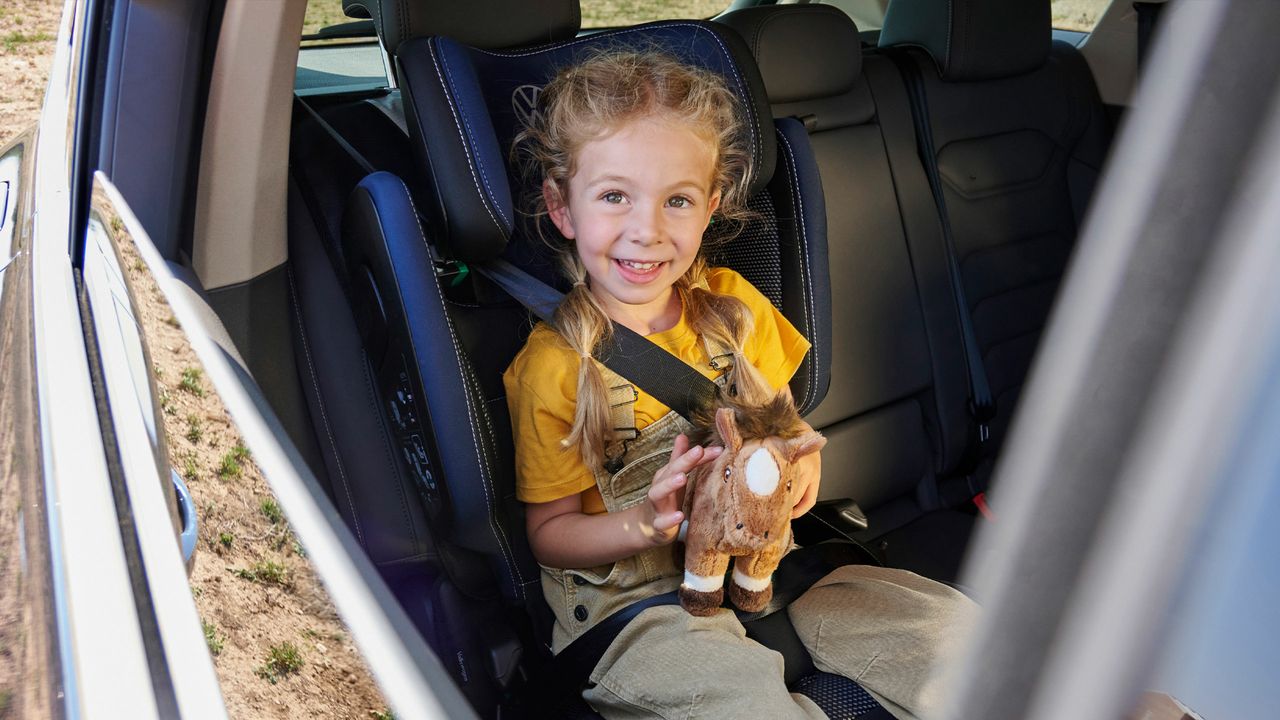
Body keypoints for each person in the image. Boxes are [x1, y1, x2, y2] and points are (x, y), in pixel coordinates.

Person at [504, 50, 974, 720]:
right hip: (633, 605)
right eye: (614, 197)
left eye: (677, 201)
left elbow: (784, 428)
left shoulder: (733, 306)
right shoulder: (554, 365)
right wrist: (647, 521)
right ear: (562, 206)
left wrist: (803, 464)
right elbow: (551, 533)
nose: (647, 229)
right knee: (743, 704)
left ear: (711, 206)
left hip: (767, 567)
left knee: (956, 640)